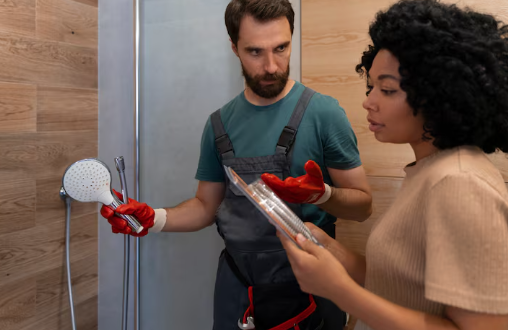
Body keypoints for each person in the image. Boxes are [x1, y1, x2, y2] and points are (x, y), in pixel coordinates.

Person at [100, 0, 373, 329]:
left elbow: (363, 208)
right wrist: (152, 219)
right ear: (234, 47)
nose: (271, 66)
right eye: (255, 52)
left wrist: (324, 194)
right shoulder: (219, 125)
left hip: (310, 286)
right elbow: (205, 207)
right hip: (238, 288)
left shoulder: (324, 115)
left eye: (281, 48)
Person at [268, 1, 508, 329]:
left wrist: (338, 291)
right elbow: (400, 286)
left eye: (387, 89)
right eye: (371, 87)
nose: (369, 101)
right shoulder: (429, 170)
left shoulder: (459, 182)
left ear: (438, 95)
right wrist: (332, 253)